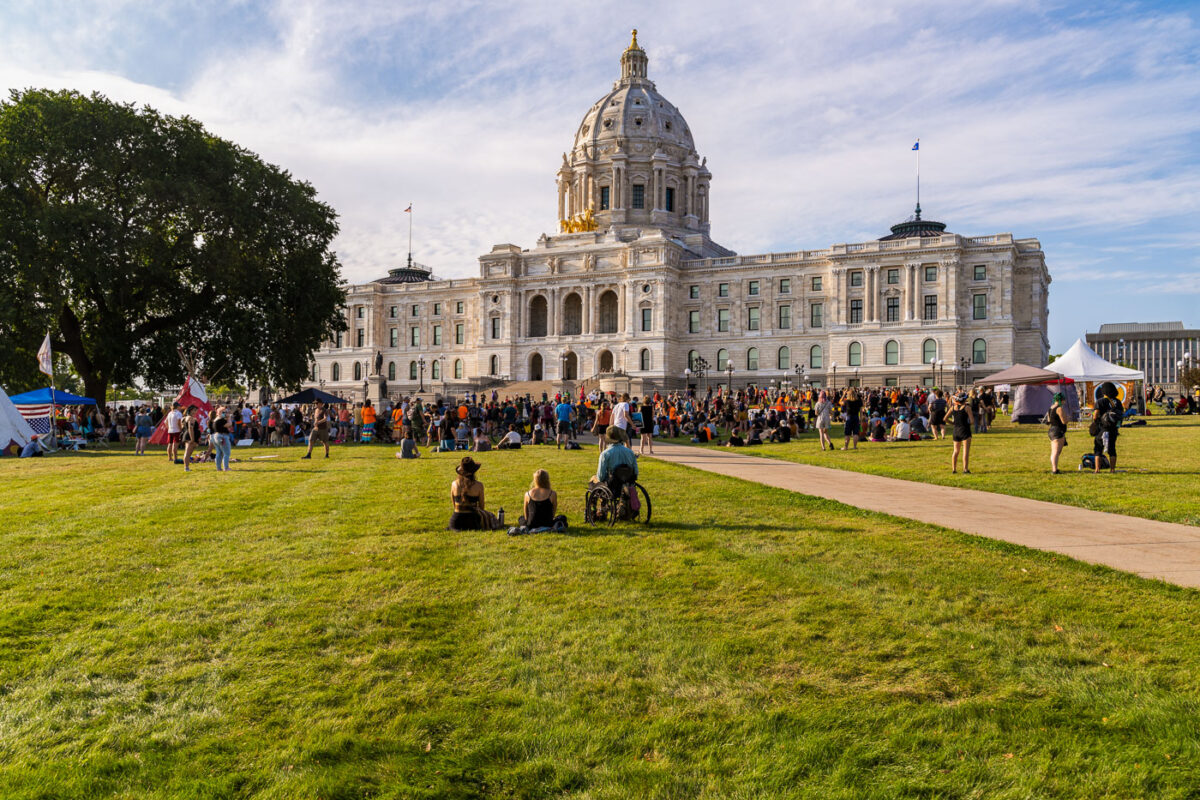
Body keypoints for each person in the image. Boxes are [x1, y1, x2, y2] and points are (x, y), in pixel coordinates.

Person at [510, 469, 568, 534]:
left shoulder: (527, 494)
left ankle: (525, 526)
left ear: (535, 480)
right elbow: (553, 513)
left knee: (521, 518)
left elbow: (526, 514)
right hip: (547, 523)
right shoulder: (552, 494)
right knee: (562, 518)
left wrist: (527, 522)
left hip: (531, 525)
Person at [448, 456, 499, 530]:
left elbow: (454, 505)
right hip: (472, 522)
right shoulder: (479, 485)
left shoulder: (454, 484)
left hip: (455, 522)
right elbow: (481, 506)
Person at [590, 425, 638, 490]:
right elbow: (636, 472)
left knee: (593, 479)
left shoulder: (605, 454)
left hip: (612, 484)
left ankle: (598, 499)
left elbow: (601, 477)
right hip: (628, 482)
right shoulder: (630, 452)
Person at [1093, 383, 1124, 474]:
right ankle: (1112, 469)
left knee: (1098, 449)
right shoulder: (1118, 402)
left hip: (1102, 428)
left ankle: (1097, 469)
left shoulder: (1100, 401)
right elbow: (1121, 414)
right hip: (1113, 429)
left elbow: (1095, 415)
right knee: (1112, 449)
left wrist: (1096, 422)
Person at [949, 392, 974, 474]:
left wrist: (953, 423)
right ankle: (965, 469)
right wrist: (967, 424)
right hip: (965, 430)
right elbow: (972, 421)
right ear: (965, 399)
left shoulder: (953, 407)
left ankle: (954, 469)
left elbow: (945, 418)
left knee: (955, 451)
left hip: (956, 431)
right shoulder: (967, 408)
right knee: (965, 451)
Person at [1046, 391, 1069, 474]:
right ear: (1061, 400)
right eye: (1063, 400)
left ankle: (1055, 468)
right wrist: (1067, 417)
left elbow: (1048, 420)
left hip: (1051, 430)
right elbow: (1064, 421)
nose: (1064, 401)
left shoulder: (1051, 408)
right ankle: (1054, 470)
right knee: (1056, 452)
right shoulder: (1059, 408)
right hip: (1058, 430)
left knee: (1055, 451)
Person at [211, 406, 233, 471]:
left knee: (219, 453)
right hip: (222, 436)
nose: (226, 413)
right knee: (226, 453)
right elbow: (229, 424)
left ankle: (218, 468)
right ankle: (226, 468)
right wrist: (229, 418)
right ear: (220, 413)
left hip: (215, 437)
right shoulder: (221, 420)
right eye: (225, 412)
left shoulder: (215, 420)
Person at [181, 405, 201, 472]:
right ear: (190, 410)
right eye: (194, 410)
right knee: (187, 452)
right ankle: (186, 467)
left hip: (191, 436)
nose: (195, 412)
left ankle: (187, 467)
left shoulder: (186, 418)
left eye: (196, 410)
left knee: (189, 453)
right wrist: (192, 439)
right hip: (190, 436)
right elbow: (190, 428)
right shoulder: (190, 418)